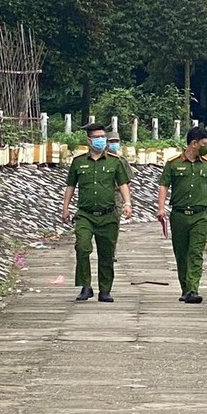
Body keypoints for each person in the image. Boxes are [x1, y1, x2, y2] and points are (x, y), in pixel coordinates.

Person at [63, 123, 132, 302]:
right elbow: (71, 186)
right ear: (89, 140)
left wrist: (127, 204)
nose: (101, 140)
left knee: (106, 253)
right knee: (82, 247)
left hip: (108, 214)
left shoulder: (114, 162)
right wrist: (65, 208)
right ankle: (86, 286)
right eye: (97, 137)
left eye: (103, 137)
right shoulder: (78, 162)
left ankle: (105, 289)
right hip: (85, 214)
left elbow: (123, 184)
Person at [158, 126, 207, 304]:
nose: (206, 147)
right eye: (204, 144)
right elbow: (164, 185)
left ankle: (193, 289)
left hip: (200, 215)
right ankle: (186, 288)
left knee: (195, 252)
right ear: (194, 144)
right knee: (181, 253)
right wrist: (161, 208)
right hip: (179, 215)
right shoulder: (174, 164)